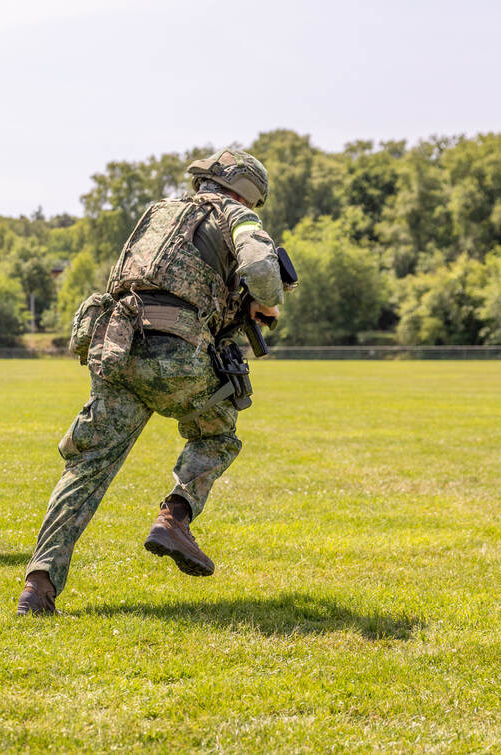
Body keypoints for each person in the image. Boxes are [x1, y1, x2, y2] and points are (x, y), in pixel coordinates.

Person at [17, 150, 294, 614]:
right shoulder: (236, 215)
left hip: (115, 349)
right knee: (217, 432)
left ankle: (38, 586)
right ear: (247, 192)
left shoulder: (158, 213)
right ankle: (175, 517)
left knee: (86, 468)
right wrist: (266, 302)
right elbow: (263, 271)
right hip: (175, 355)